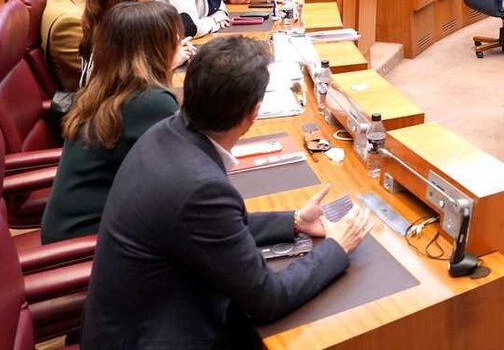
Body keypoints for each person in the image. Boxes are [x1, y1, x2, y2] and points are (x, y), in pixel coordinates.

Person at [80, 35, 373, 348]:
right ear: (253, 113)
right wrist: (338, 246)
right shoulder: (201, 188)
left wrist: (293, 221)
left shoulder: (164, 133)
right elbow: (267, 300)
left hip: (132, 321)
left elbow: (211, 229)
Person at [40, 1, 183, 244]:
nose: (179, 47)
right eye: (175, 41)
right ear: (157, 49)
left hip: (72, 228)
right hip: (92, 242)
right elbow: (182, 178)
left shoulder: (104, 88)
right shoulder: (149, 102)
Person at [77, 0, 189, 86]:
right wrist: (169, 63)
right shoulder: (111, 40)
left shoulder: (112, 27)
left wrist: (169, 49)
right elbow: (129, 90)